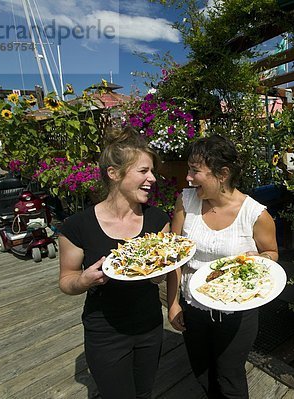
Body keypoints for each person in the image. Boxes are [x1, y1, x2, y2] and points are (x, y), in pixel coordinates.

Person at [59, 127, 170, 399]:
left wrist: (160, 272)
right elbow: (66, 281)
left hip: (150, 325)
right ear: (114, 173)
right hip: (105, 331)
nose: (152, 179)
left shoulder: (158, 221)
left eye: (152, 172)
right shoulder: (77, 226)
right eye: (144, 171)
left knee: (144, 392)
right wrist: (84, 279)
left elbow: (160, 275)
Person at [166, 135, 278, 399]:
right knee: (202, 372)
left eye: (195, 170)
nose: (188, 178)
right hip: (193, 306)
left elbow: (272, 253)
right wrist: (173, 303)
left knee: (230, 379)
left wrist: (262, 259)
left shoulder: (256, 214)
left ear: (222, 174)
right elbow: (175, 256)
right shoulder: (186, 201)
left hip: (236, 313)